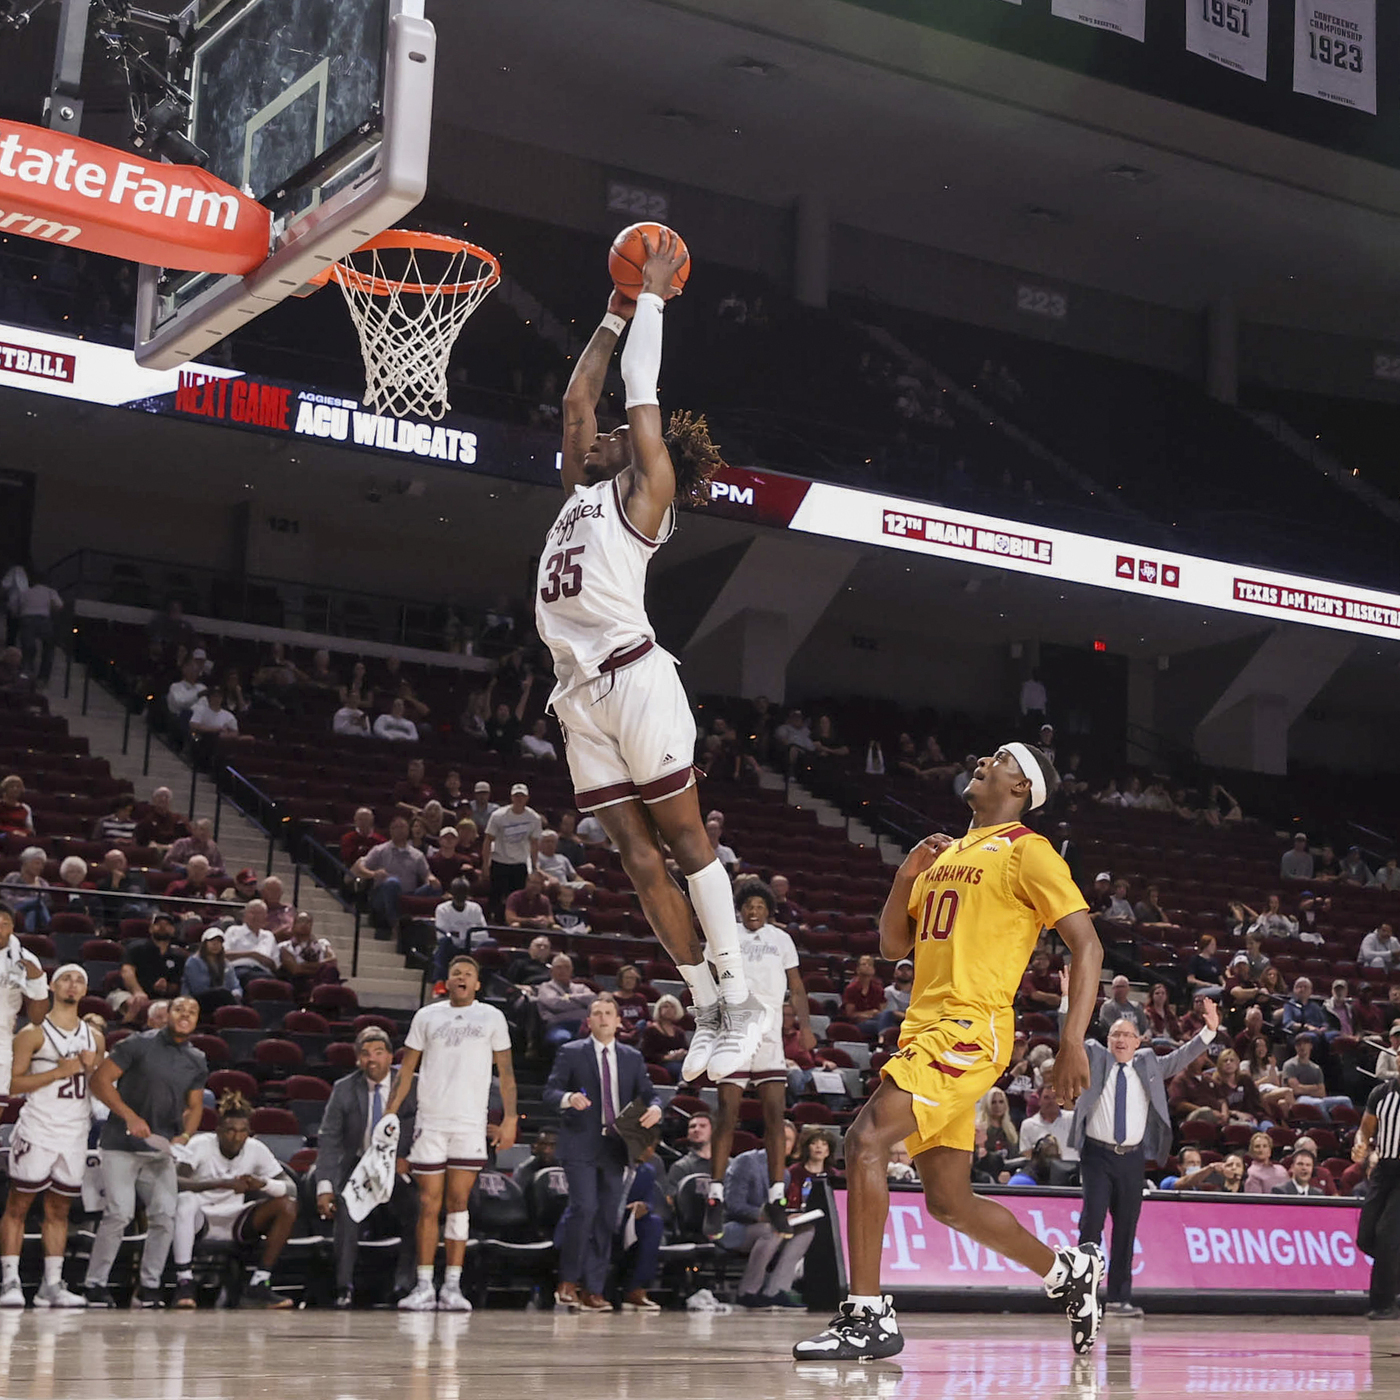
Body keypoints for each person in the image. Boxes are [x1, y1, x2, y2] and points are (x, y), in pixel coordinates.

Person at [537, 235, 771, 1086]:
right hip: (577, 695)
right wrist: (612, 312)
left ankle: (742, 994)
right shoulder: (581, 492)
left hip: (635, 675)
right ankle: (705, 1002)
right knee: (638, 862)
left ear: (638, 451)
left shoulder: (646, 492)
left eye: (615, 435)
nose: (596, 436)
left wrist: (657, 297)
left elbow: (639, 388)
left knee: (683, 837)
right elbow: (577, 399)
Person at [795, 742, 1105, 1362]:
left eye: (1000, 759)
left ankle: (867, 1316)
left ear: (1021, 788)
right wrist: (904, 877)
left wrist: (1071, 1041)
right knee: (948, 1201)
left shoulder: (1027, 850)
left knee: (865, 1141)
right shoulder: (945, 852)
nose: (984, 761)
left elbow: (1088, 945)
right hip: (924, 1027)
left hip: (968, 1028)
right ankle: (1068, 1272)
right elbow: (893, 946)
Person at [1071, 996, 1221, 1317]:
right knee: (1091, 1224)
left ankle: (1118, 1299)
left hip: (1132, 1159)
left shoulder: (1149, 1062)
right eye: (1116, 1034)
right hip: (1097, 1156)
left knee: (1126, 1228)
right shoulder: (1094, 1056)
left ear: (1139, 1041)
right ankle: (1082, 1296)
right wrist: (1067, 1004)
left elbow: (1180, 1057)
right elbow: (1068, 1040)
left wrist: (1208, 1032)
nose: (1121, 1040)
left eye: (1128, 1035)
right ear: (1107, 1039)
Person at [384, 955, 517, 1312]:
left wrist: (510, 1118)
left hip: (470, 1124)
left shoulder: (492, 1017)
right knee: (428, 1204)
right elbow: (406, 1069)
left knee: (459, 1204)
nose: (462, 977)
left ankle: (453, 1287)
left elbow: (506, 1072)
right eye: (456, 972)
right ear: (447, 981)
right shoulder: (427, 1016)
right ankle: (424, 1285)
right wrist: (389, 1113)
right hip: (431, 1122)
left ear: (477, 983)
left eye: (468, 974)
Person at [702, 881, 815, 1241]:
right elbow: (704, 979)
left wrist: (806, 1026)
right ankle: (715, 1196)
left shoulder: (781, 939)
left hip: (769, 1032)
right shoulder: (724, 936)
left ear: (769, 910)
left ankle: (776, 1196)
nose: (753, 911)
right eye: (748, 905)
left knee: (775, 1116)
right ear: (740, 909)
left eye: (760, 906)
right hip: (734, 1026)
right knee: (727, 1113)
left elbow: (796, 985)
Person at [84, 996, 208, 1307]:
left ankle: (149, 1286)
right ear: (168, 1013)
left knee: (165, 1216)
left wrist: (185, 1136)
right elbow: (99, 1081)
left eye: (192, 1012)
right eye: (179, 1009)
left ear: (197, 1020)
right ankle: (95, 1284)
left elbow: (195, 1106)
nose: (185, 1015)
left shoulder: (196, 1058)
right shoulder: (138, 1044)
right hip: (120, 1143)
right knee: (119, 1214)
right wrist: (129, 1116)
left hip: (160, 1149)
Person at [544, 994, 660, 1310]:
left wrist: (656, 1109)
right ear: (589, 1021)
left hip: (616, 1147)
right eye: (597, 1013)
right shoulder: (571, 1052)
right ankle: (568, 1282)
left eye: (609, 1013)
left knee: (607, 1217)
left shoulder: (632, 1057)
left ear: (619, 1021)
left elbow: (650, 1095)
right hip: (580, 1143)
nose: (603, 1018)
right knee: (584, 1208)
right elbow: (550, 1091)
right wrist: (568, 1098)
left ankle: (593, 1289)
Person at [0, 964, 102, 1308]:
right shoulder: (32, 1033)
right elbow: (12, 1085)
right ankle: (10, 1281)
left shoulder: (95, 1037)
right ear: (53, 987)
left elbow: (97, 1087)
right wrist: (59, 1071)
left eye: (79, 980)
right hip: (38, 1128)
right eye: (66, 979)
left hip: (75, 1133)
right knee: (18, 1205)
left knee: (59, 1209)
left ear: (85, 991)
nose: (73, 985)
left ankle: (52, 1285)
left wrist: (91, 1068)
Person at [315, 1026, 419, 1307]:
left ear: (390, 1056)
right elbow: (329, 1139)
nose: (372, 1059)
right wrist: (324, 1186)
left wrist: (412, 1159)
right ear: (358, 1059)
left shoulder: (412, 1085)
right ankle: (344, 1287)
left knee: (418, 1209)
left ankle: (404, 1285)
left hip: (398, 1167)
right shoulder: (344, 1089)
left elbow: (427, 1127)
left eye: (378, 1052)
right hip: (359, 1166)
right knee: (346, 1208)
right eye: (365, 1053)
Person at [171, 1091, 297, 1308]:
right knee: (185, 1201)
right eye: (230, 1130)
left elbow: (291, 1187)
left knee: (287, 1205)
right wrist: (221, 1183)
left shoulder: (256, 1149)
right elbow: (176, 1181)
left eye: (242, 1131)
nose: (236, 1137)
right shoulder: (200, 1144)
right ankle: (184, 1281)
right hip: (200, 1218)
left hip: (235, 1219)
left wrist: (263, 1184)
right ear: (218, 1130)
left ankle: (259, 1282)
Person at [722, 1142, 816, 1309]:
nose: (784, 1144)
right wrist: (766, 1216)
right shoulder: (747, 1161)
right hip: (733, 1227)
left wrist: (786, 1217)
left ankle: (775, 1290)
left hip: (765, 1227)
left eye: (789, 1140)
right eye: (781, 1138)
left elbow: (775, 1209)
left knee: (806, 1230)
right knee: (772, 1231)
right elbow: (734, 1205)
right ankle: (747, 1292)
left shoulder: (785, 1174)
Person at [1352, 1076, 1400, 1318]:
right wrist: (1360, 1144)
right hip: (1383, 1168)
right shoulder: (1381, 1093)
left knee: (1386, 1236)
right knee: (1365, 1237)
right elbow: (1365, 1130)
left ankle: (1385, 1304)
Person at [352, 816, 441, 937]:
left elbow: (426, 874)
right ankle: (395, 924)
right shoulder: (380, 850)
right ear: (391, 830)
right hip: (382, 895)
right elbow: (360, 867)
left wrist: (431, 879)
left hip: (408, 895)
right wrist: (373, 874)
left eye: (402, 827)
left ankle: (434, 929)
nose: (399, 830)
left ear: (408, 830)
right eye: (396, 827)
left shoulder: (417, 855)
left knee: (435, 887)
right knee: (392, 882)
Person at [0, 908, 49, 1093]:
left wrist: (38, 983)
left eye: (4, 924)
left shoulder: (26, 960)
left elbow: (37, 1019)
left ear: (12, 927)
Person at [481, 784, 544, 915]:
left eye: (522, 796)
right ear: (511, 797)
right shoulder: (498, 815)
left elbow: (534, 844)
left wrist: (534, 866)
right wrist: (485, 865)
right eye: (516, 796)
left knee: (517, 898)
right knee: (496, 897)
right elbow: (488, 840)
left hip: (520, 863)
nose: (519, 799)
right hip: (499, 861)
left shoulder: (534, 818)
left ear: (527, 798)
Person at [119, 914, 187, 1022]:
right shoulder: (135, 948)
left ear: (173, 930)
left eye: (167, 925)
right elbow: (127, 972)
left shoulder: (178, 956)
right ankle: (125, 1028)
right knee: (135, 1003)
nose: (162, 927)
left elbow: (175, 984)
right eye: (158, 924)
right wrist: (137, 991)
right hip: (127, 992)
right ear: (150, 929)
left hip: (161, 998)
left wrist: (166, 987)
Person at [536, 953, 596, 1051]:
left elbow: (592, 999)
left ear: (572, 970)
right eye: (559, 967)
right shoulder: (545, 987)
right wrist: (581, 1005)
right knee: (565, 1039)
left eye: (566, 967)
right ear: (551, 971)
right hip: (558, 1026)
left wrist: (567, 998)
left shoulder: (581, 987)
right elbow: (556, 1004)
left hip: (584, 1025)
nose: (563, 970)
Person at [433, 879, 488, 984]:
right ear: (452, 892)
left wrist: (462, 936)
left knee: (491, 943)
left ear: (468, 893)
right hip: (452, 946)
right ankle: (439, 982)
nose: (460, 895)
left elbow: (484, 934)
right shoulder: (442, 909)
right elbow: (441, 935)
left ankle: (485, 983)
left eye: (463, 892)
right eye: (458, 891)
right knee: (444, 942)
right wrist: (468, 934)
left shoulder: (475, 908)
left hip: (472, 946)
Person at [16, 570, 62, 684]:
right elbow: (59, 605)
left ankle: (26, 674)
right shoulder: (50, 591)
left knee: (27, 649)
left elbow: (17, 606)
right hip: (43, 619)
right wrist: (51, 610)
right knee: (48, 648)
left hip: (27, 619)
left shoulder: (25, 592)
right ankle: (43, 677)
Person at [222, 900, 280, 990]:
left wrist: (266, 960)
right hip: (238, 971)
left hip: (264, 972)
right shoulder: (233, 931)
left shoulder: (269, 936)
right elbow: (223, 954)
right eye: (252, 912)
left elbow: (276, 965)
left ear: (265, 917)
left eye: (259, 913)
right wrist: (252, 955)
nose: (255, 916)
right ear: (244, 915)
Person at [181, 928, 242, 1010]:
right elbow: (198, 988)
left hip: (223, 998)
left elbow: (235, 985)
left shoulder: (226, 964)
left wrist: (236, 994)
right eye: (212, 941)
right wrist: (223, 993)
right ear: (204, 943)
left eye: (219, 942)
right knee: (222, 993)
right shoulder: (194, 961)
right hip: (197, 999)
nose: (215, 944)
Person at [279, 912, 338, 995]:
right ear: (294, 925)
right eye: (301, 921)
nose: (304, 924)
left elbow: (333, 961)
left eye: (308, 922)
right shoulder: (285, 946)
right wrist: (322, 967)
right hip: (300, 983)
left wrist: (304, 965)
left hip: (325, 981)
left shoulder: (323, 943)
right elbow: (295, 969)